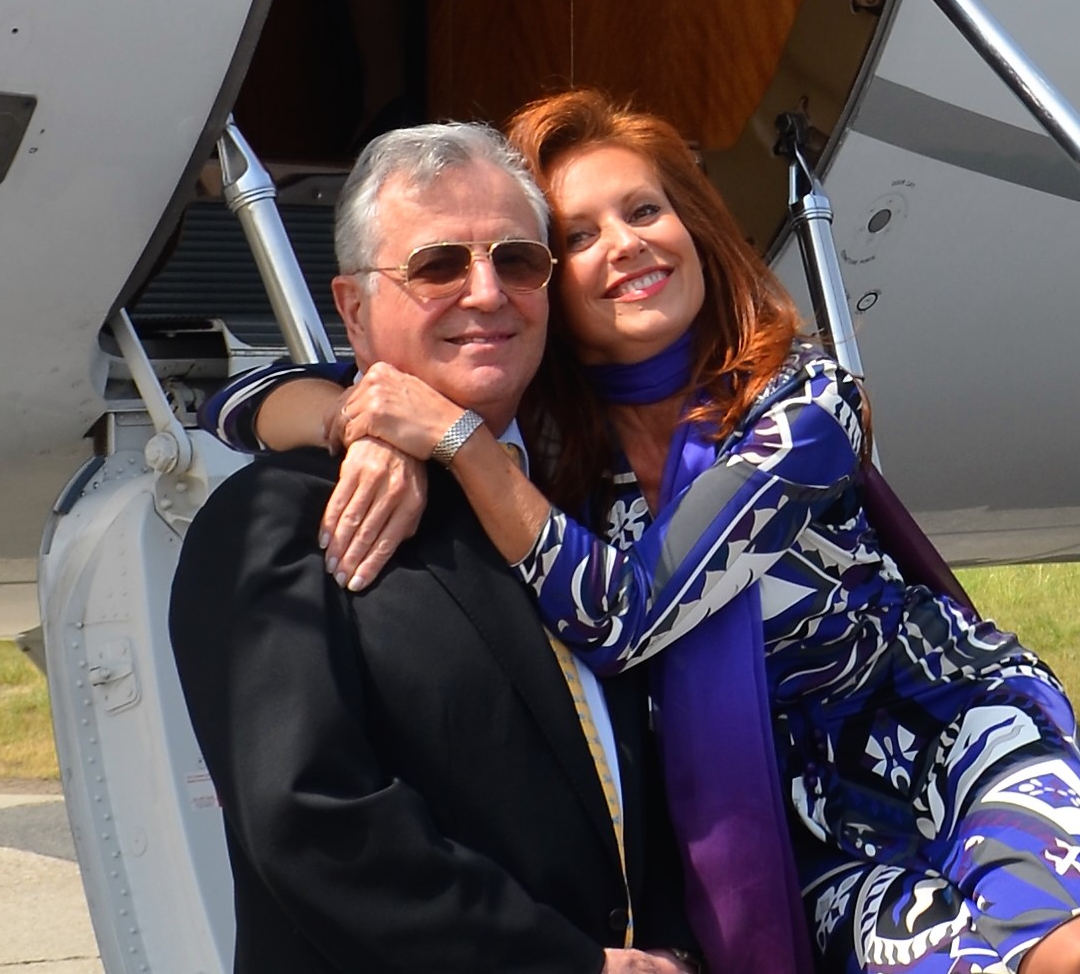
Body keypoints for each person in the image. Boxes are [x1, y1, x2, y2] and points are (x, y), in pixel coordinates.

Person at [208, 89, 1080, 974]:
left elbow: (632, 609)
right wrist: (365, 419)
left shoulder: (799, 410)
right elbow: (245, 392)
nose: (622, 247)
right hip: (796, 802)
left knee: (1070, 955)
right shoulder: (560, 467)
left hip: (942, 728)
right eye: (578, 234)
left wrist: (450, 437)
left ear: (695, 227)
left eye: (643, 209)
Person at [170, 121, 699, 973]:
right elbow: (313, 820)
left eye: (518, 261)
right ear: (352, 308)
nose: (486, 293)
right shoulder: (276, 520)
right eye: (437, 265)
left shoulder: (595, 506)